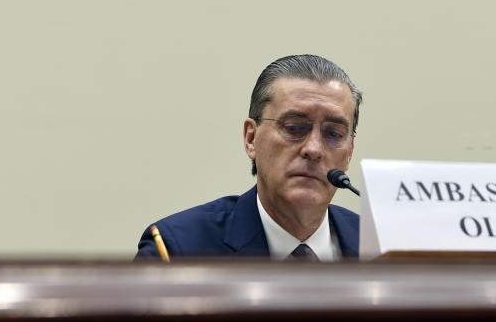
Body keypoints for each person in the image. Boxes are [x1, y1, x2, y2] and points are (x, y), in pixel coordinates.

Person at [135, 54, 362, 261]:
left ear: (349, 152)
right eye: (294, 128)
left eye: (333, 134)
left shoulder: (379, 249)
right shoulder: (178, 251)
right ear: (251, 138)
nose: (313, 149)